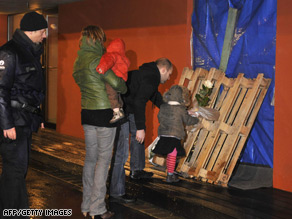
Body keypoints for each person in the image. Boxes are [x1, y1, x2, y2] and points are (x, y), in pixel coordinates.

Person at [73, 25, 127, 219]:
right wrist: (122, 84)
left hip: (87, 113)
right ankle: (98, 209)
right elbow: (117, 84)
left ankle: (86, 205)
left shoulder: (79, 61)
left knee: (90, 160)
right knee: (103, 162)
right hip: (104, 113)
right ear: (98, 39)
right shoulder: (98, 60)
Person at [0, 11, 47, 217]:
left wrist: (39, 116)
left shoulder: (30, 52)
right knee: (15, 171)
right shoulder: (9, 53)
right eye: (44, 31)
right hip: (13, 122)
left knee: (17, 170)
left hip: (25, 119)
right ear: (33, 31)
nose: (45, 35)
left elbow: (31, 90)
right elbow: (1, 90)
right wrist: (6, 124)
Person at [109, 58, 173, 203]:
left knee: (138, 139)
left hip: (129, 105)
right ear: (163, 70)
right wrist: (140, 127)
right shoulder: (151, 76)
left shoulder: (149, 74)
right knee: (123, 150)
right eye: (169, 74)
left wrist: (168, 109)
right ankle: (116, 191)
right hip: (122, 108)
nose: (169, 77)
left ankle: (136, 170)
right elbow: (140, 102)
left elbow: (152, 95)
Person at [152, 85, 199, 183]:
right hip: (175, 135)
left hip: (164, 134)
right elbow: (187, 120)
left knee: (170, 154)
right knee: (172, 155)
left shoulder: (163, 106)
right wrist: (196, 119)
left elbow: (159, 117)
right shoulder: (181, 109)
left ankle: (170, 173)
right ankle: (170, 176)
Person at [96, 38, 130, 123]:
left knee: (110, 94)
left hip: (113, 77)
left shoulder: (111, 54)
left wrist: (101, 68)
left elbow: (107, 62)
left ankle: (116, 112)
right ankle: (120, 109)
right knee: (117, 95)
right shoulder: (123, 57)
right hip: (121, 79)